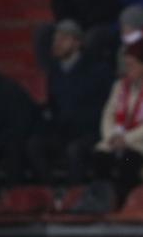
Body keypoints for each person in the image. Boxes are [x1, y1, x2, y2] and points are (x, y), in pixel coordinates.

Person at [27, 19, 113, 185]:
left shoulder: (97, 70)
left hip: (89, 132)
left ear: (77, 42)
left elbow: (102, 107)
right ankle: (50, 192)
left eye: (63, 39)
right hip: (63, 131)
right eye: (55, 39)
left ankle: (74, 195)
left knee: (75, 149)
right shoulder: (55, 70)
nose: (56, 43)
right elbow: (53, 104)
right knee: (34, 144)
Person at [93, 38, 143, 200]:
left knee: (128, 162)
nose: (126, 69)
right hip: (116, 140)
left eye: (131, 64)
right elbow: (108, 114)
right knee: (99, 157)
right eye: (125, 64)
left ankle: (123, 203)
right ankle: (101, 202)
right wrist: (111, 136)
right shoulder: (120, 86)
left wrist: (126, 139)